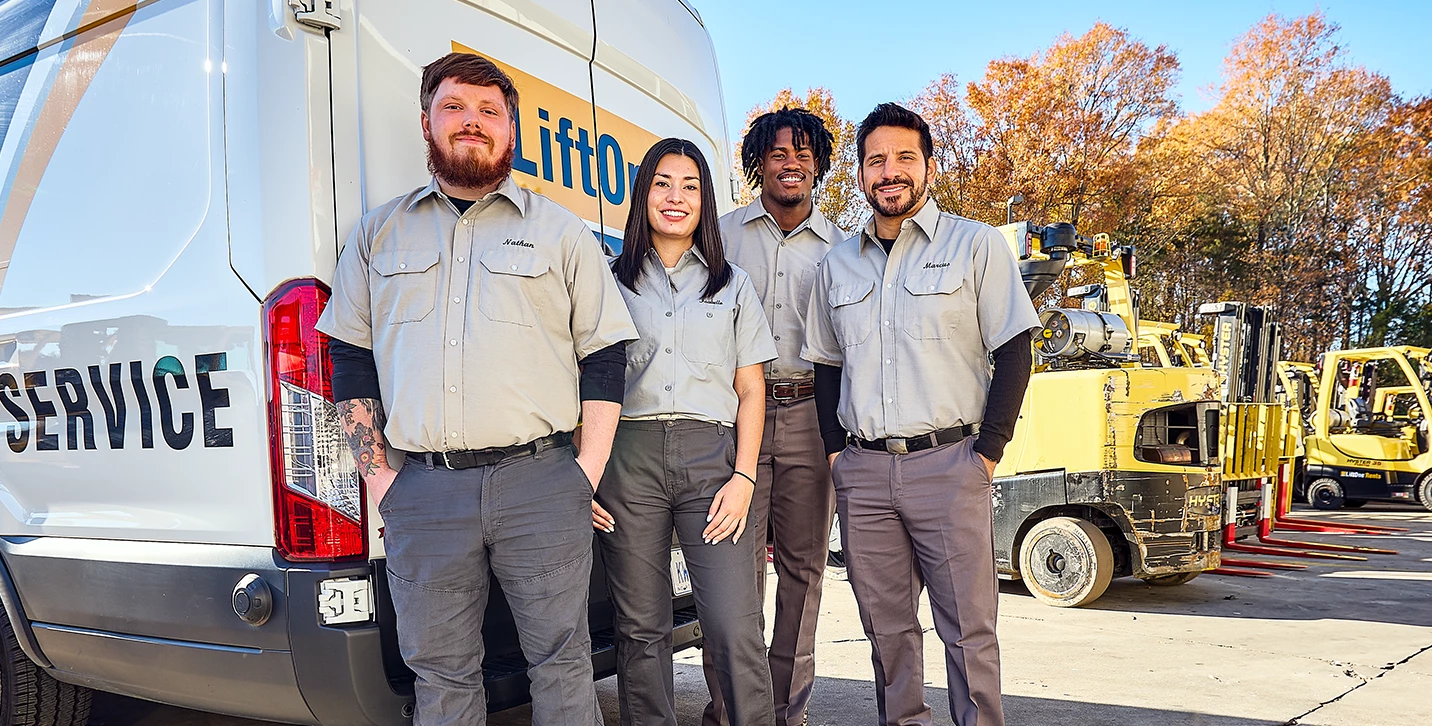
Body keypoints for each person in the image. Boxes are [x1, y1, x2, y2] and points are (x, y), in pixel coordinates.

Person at [317, 52, 637, 726]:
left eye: (491, 111)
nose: (473, 122)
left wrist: (585, 473)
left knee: (563, 662)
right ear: (427, 121)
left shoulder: (560, 232)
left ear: (511, 131)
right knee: (441, 675)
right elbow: (348, 360)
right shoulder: (379, 233)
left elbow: (605, 354)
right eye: (455, 106)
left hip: (542, 483)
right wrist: (382, 482)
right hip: (422, 493)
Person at [801, 103, 1039, 726]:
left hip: (951, 465)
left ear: (928, 165)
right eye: (876, 160)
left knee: (969, 631)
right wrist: (836, 453)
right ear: (859, 174)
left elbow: (1014, 350)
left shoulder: (975, 245)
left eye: (905, 157)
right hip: (865, 474)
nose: (890, 171)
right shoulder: (837, 264)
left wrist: (986, 453)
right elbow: (827, 367)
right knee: (888, 632)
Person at [594, 137, 778, 726]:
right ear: (642, 193)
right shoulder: (608, 282)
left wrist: (745, 476)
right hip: (628, 462)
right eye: (663, 184)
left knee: (732, 622)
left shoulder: (733, 285)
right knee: (641, 628)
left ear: (706, 201)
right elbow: (587, 385)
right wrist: (589, 473)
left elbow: (752, 391)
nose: (676, 198)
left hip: (711, 463)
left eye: (691, 186)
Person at [706, 107, 848, 726]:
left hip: (812, 419)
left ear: (818, 162)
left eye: (803, 152)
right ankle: (731, 711)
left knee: (803, 574)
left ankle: (785, 714)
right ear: (758, 162)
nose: (792, 163)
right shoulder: (723, 236)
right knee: (731, 578)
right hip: (735, 419)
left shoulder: (845, 247)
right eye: (778, 153)